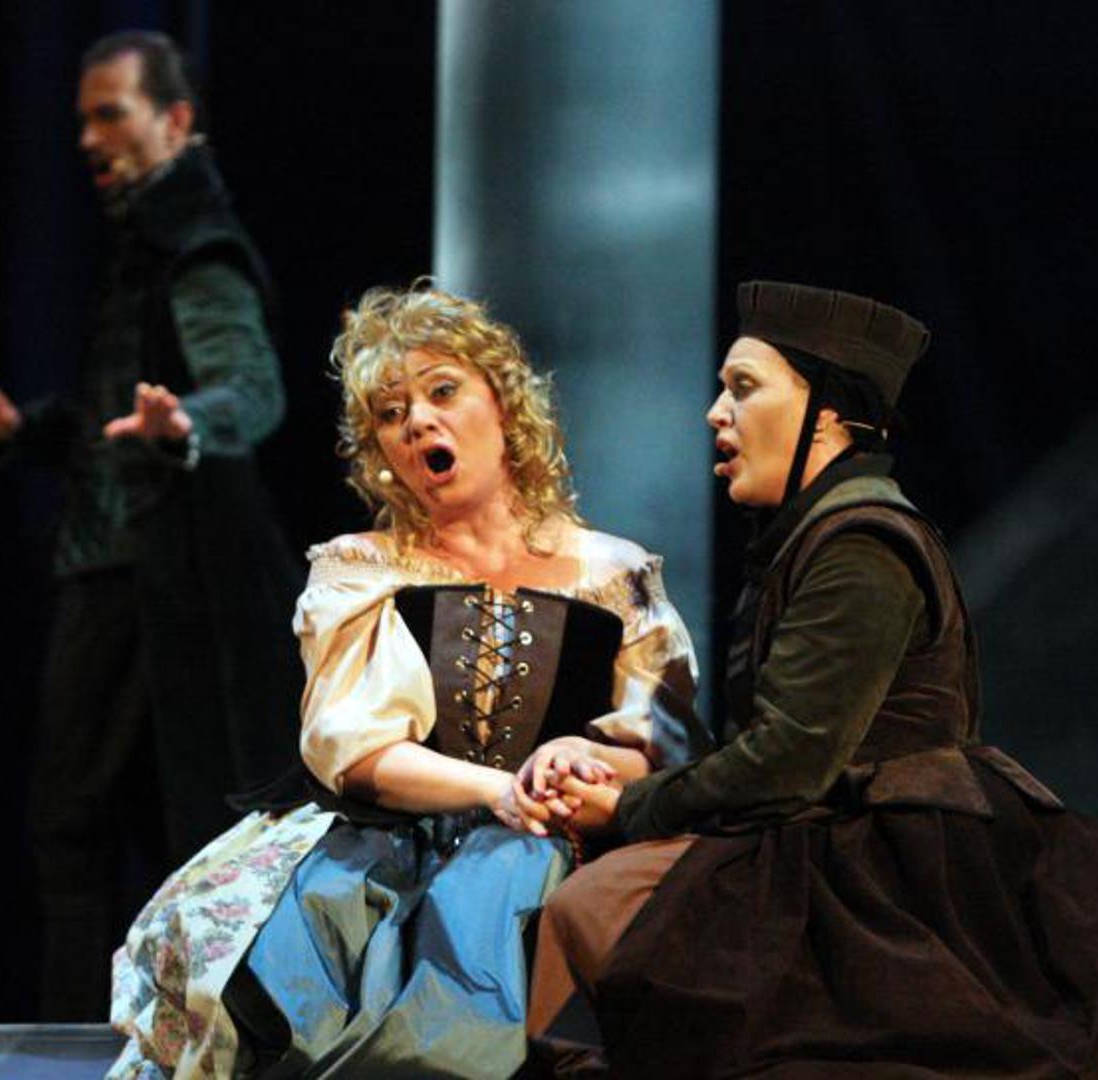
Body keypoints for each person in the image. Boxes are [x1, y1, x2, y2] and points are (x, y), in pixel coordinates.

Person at [526, 281, 1098, 1077]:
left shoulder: (859, 545)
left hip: (882, 871)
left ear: (829, 415)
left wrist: (629, 808)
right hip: (822, 837)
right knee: (593, 920)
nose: (716, 412)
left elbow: (789, 759)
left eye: (744, 387)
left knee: (605, 919)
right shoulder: (808, 541)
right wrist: (631, 779)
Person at [107, 283, 706, 1079]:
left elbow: (661, 743)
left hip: (560, 839)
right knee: (280, 955)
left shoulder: (613, 573)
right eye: (391, 413)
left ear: (504, 405)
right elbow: (355, 752)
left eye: (442, 392)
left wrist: (582, 762)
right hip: (379, 841)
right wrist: (497, 790)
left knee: (534, 902)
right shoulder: (362, 570)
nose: (418, 421)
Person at [0, 30, 302, 1020]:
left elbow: (251, 388)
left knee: (85, 821)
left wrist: (189, 421)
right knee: (132, 820)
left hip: (156, 578)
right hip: (128, 566)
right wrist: (19, 431)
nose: (90, 139)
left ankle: (94, 1043)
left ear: (174, 121)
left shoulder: (197, 247)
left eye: (111, 115)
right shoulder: (148, 243)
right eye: (83, 120)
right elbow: (109, 420)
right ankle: (130, 1033)